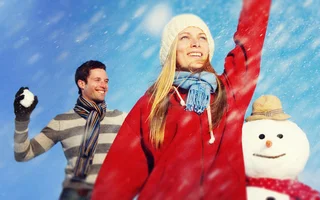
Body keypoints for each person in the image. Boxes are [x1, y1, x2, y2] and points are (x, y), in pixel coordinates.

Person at [92, 0, 271, 199]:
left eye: (202, 37)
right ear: (171, 50)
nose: (196, 43)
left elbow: (251, 42)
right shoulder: (152, 103)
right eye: (185, 37)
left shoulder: (229, 90)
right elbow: (118, 176)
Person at [12, 60, 127, 200]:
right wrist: (22, 119)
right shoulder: (62, 122)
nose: (104, 85)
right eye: (97, 80)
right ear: (82, 84)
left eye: (106, 81)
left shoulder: (120, 118)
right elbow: (23, 154)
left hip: (112, 192)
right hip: (75, 195)